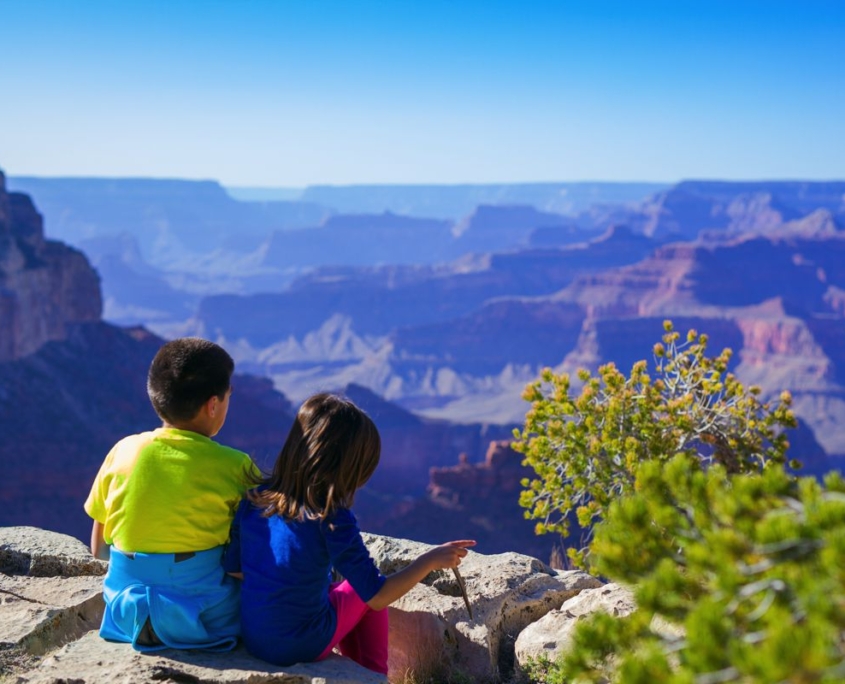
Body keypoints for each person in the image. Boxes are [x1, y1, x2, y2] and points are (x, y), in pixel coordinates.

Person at [223, 393, 475, 675]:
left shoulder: (255, 498)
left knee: (338, 590)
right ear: (348, 466)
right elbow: (377, 596)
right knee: (363, 588)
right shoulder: (331, 517)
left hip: (255, 638)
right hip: (300, 645)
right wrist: (430, 560)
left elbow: (235, 570)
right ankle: (373, 676)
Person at [84, 337, 257, 652]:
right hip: (206, 619)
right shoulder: (236, 466)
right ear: (213, 404)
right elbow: (258, 550)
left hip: (126, 614)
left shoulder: (123, 451)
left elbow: (98, 547)